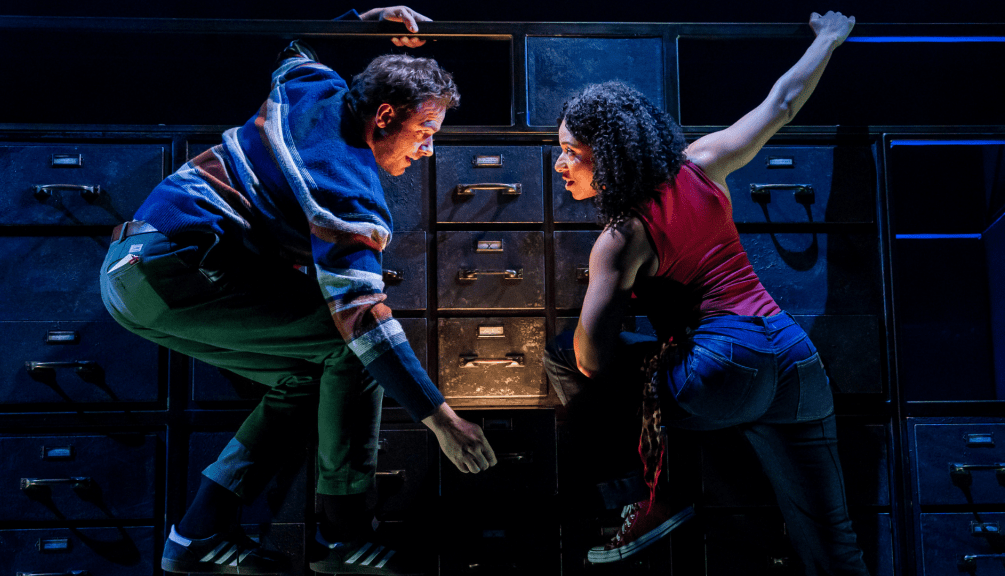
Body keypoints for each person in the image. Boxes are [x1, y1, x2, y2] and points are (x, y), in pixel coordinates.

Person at [99, 6, 497, 575]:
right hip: (175, 271)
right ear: (385, 116)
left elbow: (296, 43)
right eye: (425, 133)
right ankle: (344, 533)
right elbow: (363, 319)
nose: (427, 150)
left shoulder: (315, 84)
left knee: (306, 377)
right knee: (348, 351)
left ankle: (198, 534)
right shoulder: (346, 186)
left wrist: (362, 19)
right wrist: (441, 419)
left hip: (134, 276)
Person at [544, 10, 871, 575]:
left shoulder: (620, 240)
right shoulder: (703, 161)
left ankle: (651, 498)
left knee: (562, 351)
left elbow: (592, 360)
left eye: (572, 152)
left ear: (611, 156)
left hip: (722, 367)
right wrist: (830, 39)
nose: (559, 165)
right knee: (834, 545)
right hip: (796, 360)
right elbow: (783, 103)